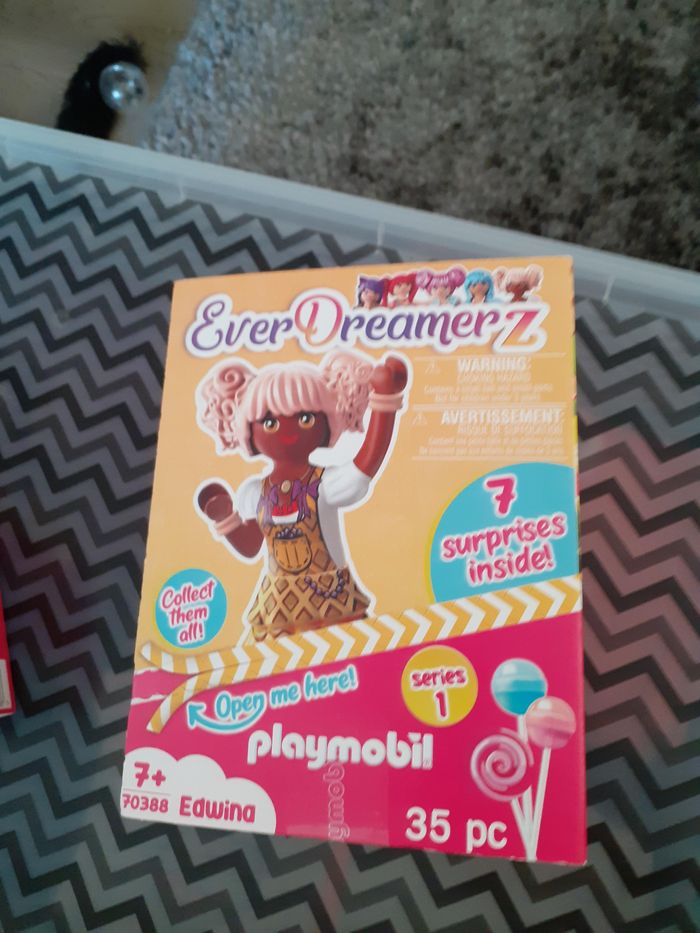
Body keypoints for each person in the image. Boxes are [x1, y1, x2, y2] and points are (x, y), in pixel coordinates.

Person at [196, 351, 409, 640]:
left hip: (331, 599)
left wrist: (385, 402)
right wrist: (225, 520)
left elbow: (366, 463)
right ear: (249, 432)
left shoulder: (325, 484)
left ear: (327, 424)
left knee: (345, 647)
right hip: (278, 604)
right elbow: (250, 546)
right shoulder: (253, 492)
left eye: (306, 419)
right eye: (270, 423)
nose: (288, 432)